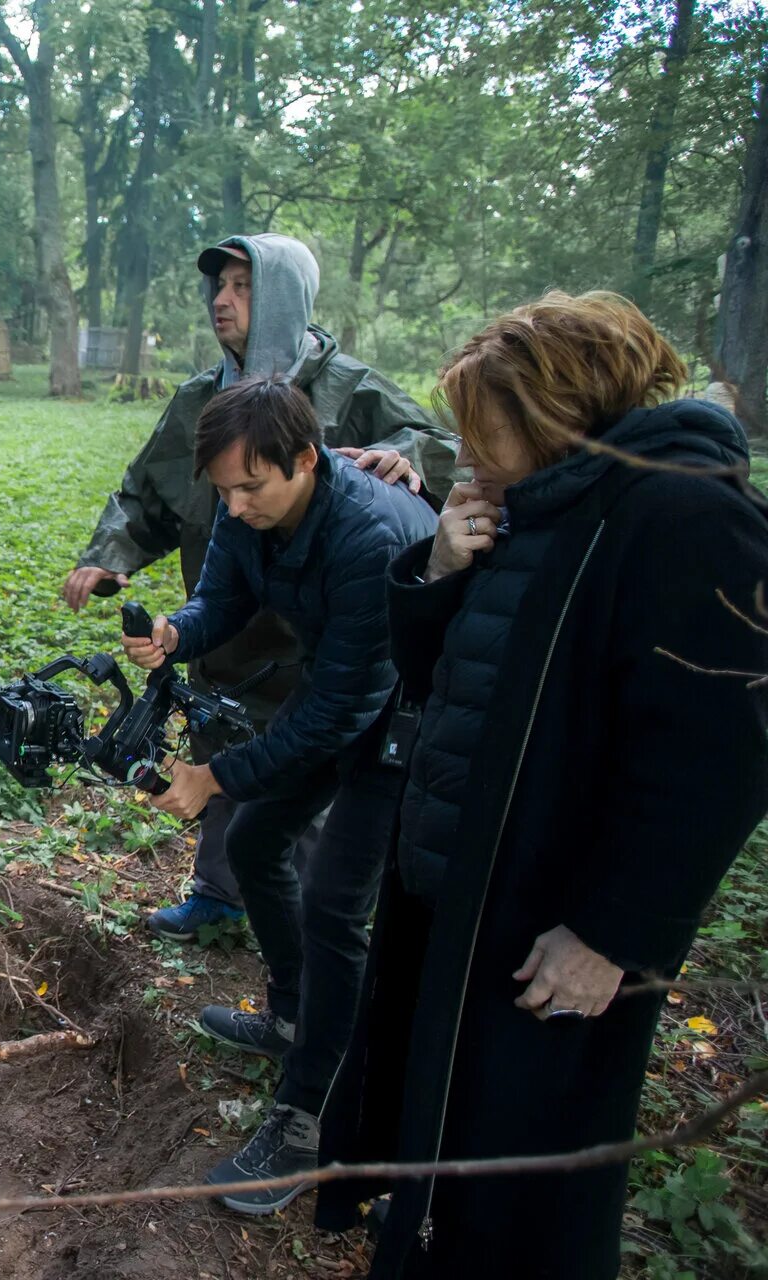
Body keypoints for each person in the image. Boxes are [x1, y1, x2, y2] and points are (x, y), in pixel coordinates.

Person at [315, 293, 768, 1278]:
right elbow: (452, 685)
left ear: (560, 411)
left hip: (551, 926)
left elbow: (716, 758)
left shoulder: (682, 517)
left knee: (520, 1171)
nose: (468, 441)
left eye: (490, 420)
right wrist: (438, 569)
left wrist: (614, 931)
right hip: (467, 900)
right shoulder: (536, 507)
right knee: (443, 1133)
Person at [65, 233, 459, 942]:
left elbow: (445, 453)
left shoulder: (355, 391)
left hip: (329, 635)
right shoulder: (201, 399)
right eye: (218, 286)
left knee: (304, 769)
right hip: (235, 623)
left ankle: (301, 920)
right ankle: (219, 892)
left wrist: (403, 459)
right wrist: (117, 561)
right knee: (217, 741)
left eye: (244, 287)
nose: (222, 300)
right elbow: (147, 490)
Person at [124, 374, 435, 1214]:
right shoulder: (245, 505)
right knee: (258, 845)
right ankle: (295, 1018)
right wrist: (176, 633)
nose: (235, 504)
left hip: (408, 714)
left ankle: (309, 1114)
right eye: (222, 489)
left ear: (306, 459)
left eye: (251, 487)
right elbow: (224, 594)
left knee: (337, 905)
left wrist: (213, 776)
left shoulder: (367, 536)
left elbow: (343, 712)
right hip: (343, 682)